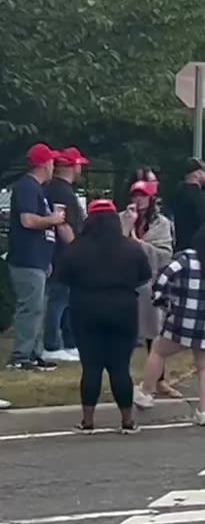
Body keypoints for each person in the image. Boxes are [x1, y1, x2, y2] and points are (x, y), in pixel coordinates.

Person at [54, 200, 152, 433]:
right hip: (123, 310)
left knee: (91, 367)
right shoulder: (130, 248)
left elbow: (62, 277)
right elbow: (144, 277)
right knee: (120, 366)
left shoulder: (76, 248)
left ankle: (88, 421)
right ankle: (127, 421)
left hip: (85, 309)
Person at [135, 221, 205, 425]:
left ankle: (145, 392)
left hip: (186, 318)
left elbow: (162, 279)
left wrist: (162, 301)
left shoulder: (186, 258)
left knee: (159, 350)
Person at [7, 144, 65, 371]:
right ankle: (20, 356)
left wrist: (46, 260)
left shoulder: (38, 189)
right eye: (51, 162)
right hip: (26, 258)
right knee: (30, 307)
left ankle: (33, 353)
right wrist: (53, 219)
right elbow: (28, 221)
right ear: (43, 164)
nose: (53, 166)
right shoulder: (27, 187)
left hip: (37, 259)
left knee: (37, 306)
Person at [121, 179, 179, 398]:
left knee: (154, 333)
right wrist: (127, 228)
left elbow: (165, 253)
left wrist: (138, 244)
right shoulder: (122, 218)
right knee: (125, 333)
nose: (138, 199)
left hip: (150, 282)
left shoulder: (161, 224)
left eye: (143, 195)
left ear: (151, 198)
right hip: (125, 282)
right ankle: (123, 378)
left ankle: (160, 379)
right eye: (135, 195)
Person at [43, 147, 89, 363]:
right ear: (71, 166)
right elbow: (63, 224)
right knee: (59, 299)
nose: (81, 169)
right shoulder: (62, 192)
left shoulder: (54, 189)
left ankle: (68, 342)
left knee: (68, 300)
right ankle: (52, 344)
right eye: (79, 164)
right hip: (63, 255)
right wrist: (76, 250)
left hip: (62, 254)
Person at [171, 157, 205, 251]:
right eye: (204, 171)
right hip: (197, 250)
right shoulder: (200, 197)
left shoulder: (176, 194)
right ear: (196, 174)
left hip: (180, 248)